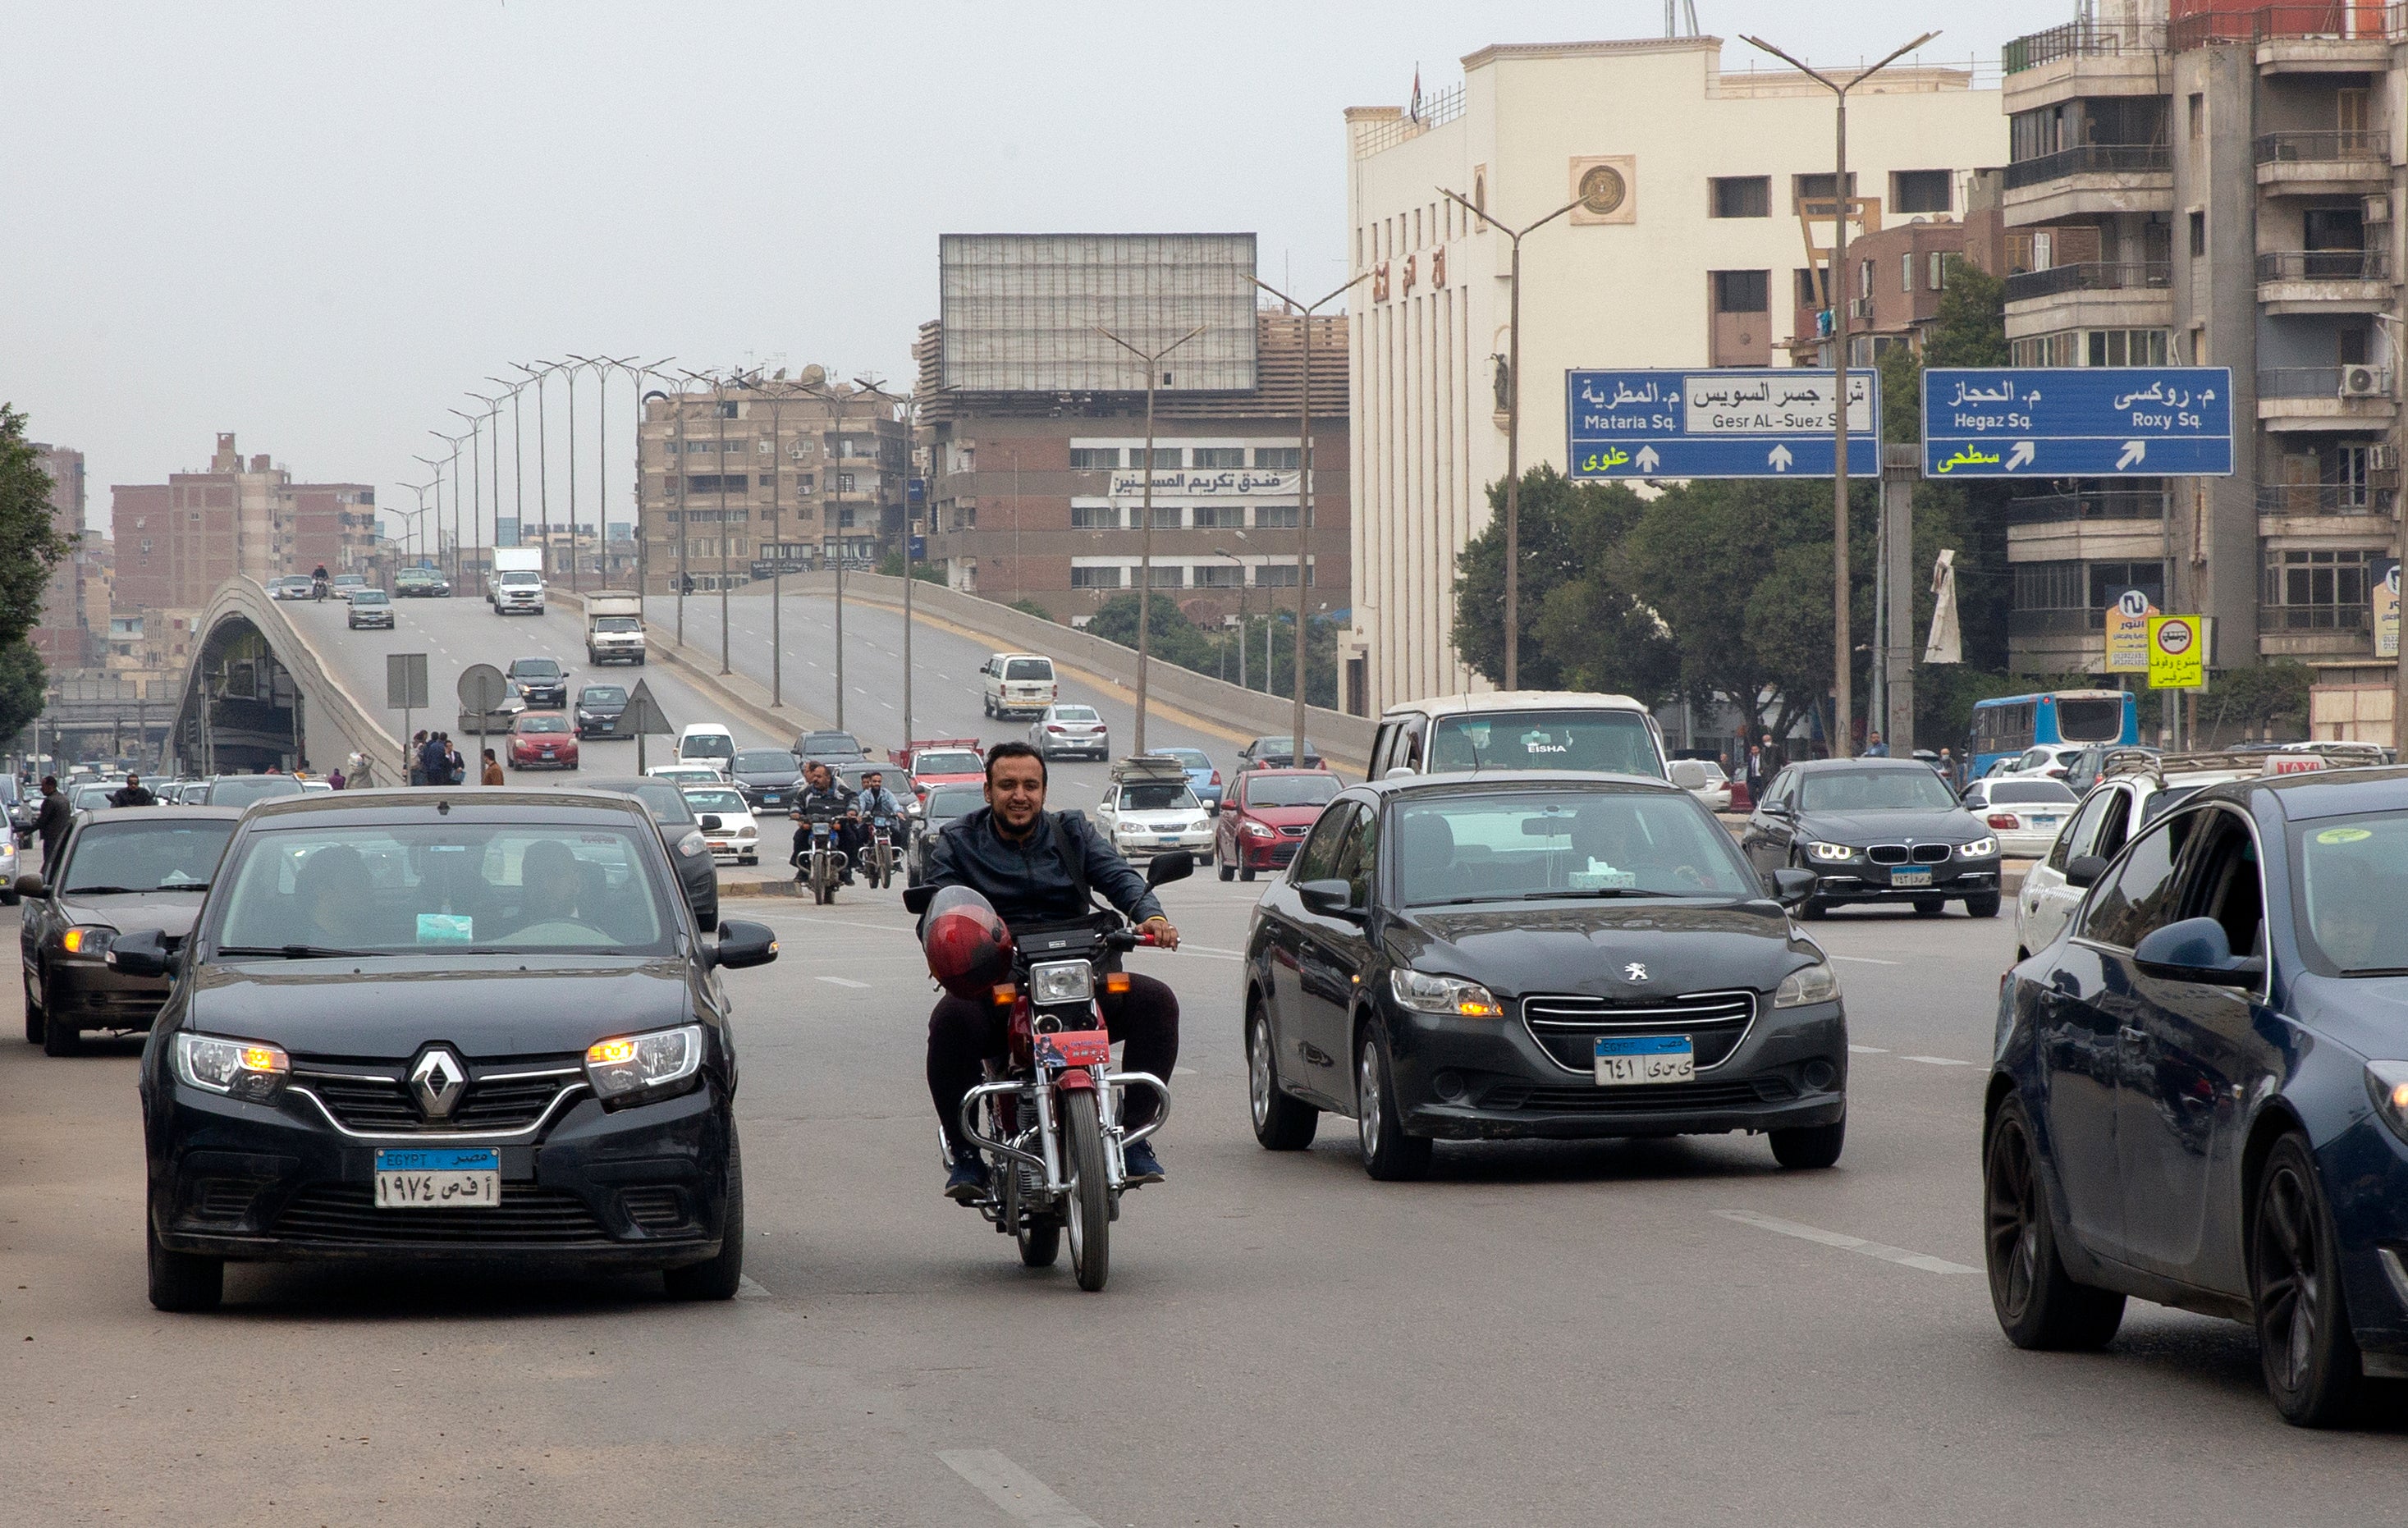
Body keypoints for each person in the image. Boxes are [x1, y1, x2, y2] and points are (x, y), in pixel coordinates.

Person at [920, 740, 1179, 1199]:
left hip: (1082, 967)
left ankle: (1134, 1137)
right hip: (999, 972)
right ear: (988, 791)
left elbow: (1118, 875)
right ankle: (965, 1154)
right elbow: (939, 905)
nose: (1019, 795)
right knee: (950, 1021)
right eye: (1007, 785)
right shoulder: (959, 841)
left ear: (1043, 790)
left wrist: (1150, 915)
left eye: (1030, 785)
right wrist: (948, 944)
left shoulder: (1072, 831)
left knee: (1157, 1002)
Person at [791, 760, 862, 885]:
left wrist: (852, 811)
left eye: (819, 777)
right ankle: (803, 870)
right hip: (813, 825)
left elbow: (854, 800)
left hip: (836, 825)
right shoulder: (807, 792)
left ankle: (846, 870)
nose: (815, 779)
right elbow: (797, 803)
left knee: (850, 837)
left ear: (828, 778)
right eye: (814, 776)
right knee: (799, 837)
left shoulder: (841, 791)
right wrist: (796, 813)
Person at [32, 775, 71, 870]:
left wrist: (25, 832)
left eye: (43, 786)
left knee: (49, 863)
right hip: (64, 837)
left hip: (51, 838)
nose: (41, 789)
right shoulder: (64, 799)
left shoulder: (50, 801)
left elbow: (41, 821)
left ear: (50, 786)